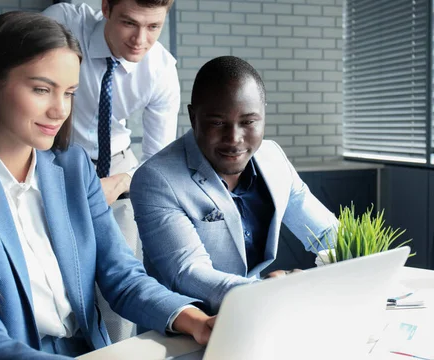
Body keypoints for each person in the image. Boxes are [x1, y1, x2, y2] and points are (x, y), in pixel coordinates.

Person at [0, 12, 212, 359]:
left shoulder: (73, 168)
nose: (60, 110)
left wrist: (193, 319)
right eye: (42, 89)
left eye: (70, 92)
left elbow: (122, 275)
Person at [130, 56, 340, 314]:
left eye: (249, 122)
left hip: (260, 318)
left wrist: (365, 264)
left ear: (263, 115)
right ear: (193, 117)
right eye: (218, 123)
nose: (234, 139)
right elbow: (189, 273)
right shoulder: (155, 179)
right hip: (185, 335)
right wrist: (270, 292)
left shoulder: (273, 156)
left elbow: (325, 233)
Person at [42, 0, 179, 340]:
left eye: (154, 27)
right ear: (105, 7)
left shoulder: (160, 69)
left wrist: (118, 183)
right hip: (54, 154)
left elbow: (157, 164)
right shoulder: (63, 23)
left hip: (119, 166)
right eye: (129, 23)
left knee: (121, 267)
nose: (140, 40)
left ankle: (116, 348)